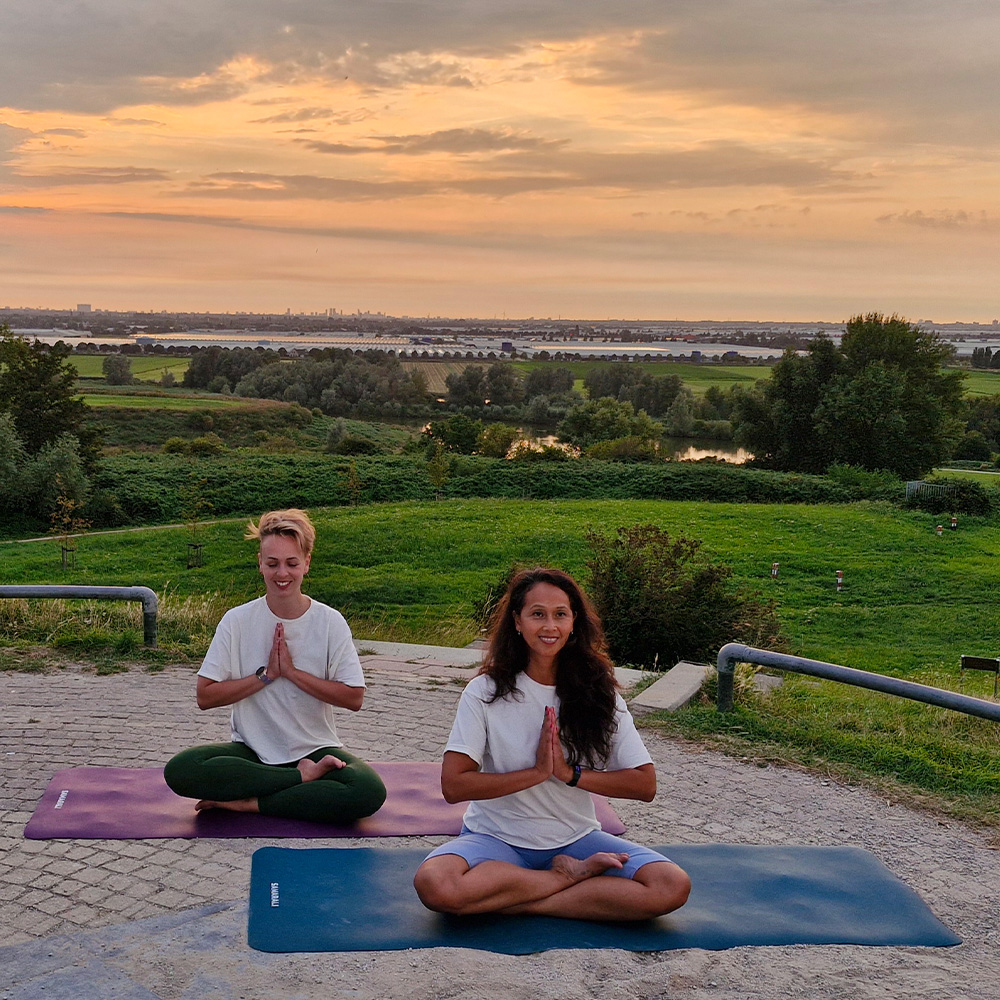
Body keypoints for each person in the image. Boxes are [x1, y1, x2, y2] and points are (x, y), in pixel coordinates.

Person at [413, 567, 690, 921]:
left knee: (670, 885)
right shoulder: (484, 692)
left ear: (574, 622)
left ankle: (519, 896)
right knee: (436, 885)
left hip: (576, 839)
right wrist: (537, 773)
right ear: (517, 621)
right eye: (537, 614)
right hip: (496, 839)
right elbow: (453, 785)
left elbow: (644, 784)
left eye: (560, 614)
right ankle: (565, 878)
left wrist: (567, 774)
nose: (550, 626)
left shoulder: (600, 693)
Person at [164, 509, 386, 824]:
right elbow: (205, 696)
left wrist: (293, 674)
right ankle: (300, 781)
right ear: (260, 563)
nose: (282, 573)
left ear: (307, 563)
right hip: (252, 754)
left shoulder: (329, 622)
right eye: (272, 564)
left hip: (315, 749)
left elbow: (354, 698)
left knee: (367, 791)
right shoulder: (237, 620)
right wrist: (266, 676)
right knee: (182, 770)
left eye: (291, 563)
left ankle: (249, 803)